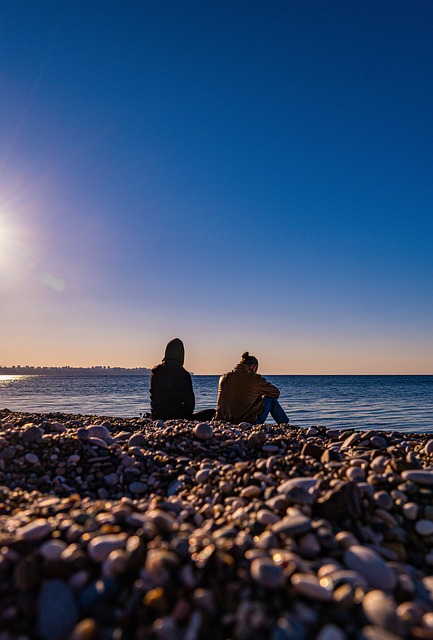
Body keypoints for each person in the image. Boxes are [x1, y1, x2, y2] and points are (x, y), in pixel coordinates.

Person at [214, 351, 289, 425]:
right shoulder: (255, 379)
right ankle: (284, 424)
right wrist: (258, 397)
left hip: (223, 421)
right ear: (254, 367)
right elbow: (275, 392)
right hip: (247, 422)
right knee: (270, 398)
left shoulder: (223, 378)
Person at [150, 338, 214, 421]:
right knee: (212, 412)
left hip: (156, 416)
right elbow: (189, 403)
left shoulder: (155, 372)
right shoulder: (182, 373)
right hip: (176, 416)